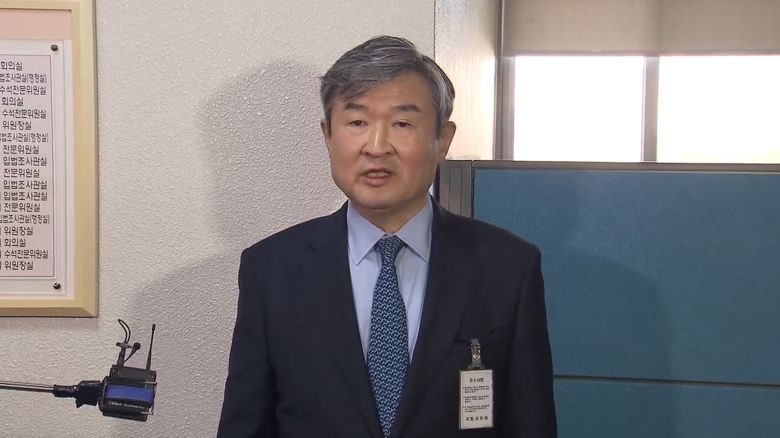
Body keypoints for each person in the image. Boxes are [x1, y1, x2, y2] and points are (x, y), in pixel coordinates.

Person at [218, 35, 556, 438]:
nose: (377, 147)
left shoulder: (508, 268)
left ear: (443, 140)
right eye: (357, 123)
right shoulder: (272, 271)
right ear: (328, 136)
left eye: (402, 124)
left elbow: (531, 423)